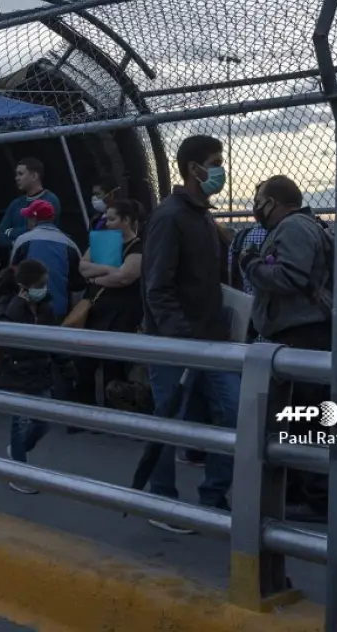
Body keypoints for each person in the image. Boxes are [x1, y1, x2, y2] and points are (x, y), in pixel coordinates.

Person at [141, 134, 237, 531]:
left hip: (209, 338)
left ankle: (212, 499)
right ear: (194, 168)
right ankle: (163, 501)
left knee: (234, 413)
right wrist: (179, 335)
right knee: (169, 418)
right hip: (179, 341)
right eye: (215, 162)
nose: (220, 170)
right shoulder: (170, 217)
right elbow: (157, 285)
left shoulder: (199, 216)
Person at [240, 175, 334, 522]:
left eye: (260, 200)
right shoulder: (306, 225)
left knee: (305, 416)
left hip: (302, 334)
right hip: (303, 333)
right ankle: (301, 491)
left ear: (275, 202)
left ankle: (315, 498)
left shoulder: (293, 227)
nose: (256, 208)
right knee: (301, 416)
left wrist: (251, 263)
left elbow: (289, 277)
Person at [0, 258, 62, 494]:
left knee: (43, 423)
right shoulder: (8, 305)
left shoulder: (46, 307)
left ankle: (18, 449)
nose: (44, 289)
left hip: (40, 371)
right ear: (23, 287)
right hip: (17, 373)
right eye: (39, 284)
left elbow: (55, 341)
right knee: (19, 422)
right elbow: (3, 333)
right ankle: (19, 471)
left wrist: (66, 367)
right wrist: (17, 304)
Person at [74, 199, 145, 416]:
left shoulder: (138, 246)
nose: (107, 222)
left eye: (112, 218)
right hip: (96, 311)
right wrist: (108, 270)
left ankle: (114, 413)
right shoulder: (102, 241)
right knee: (85, 362)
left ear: (126, 221)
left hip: (121, 314)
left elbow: (125, 277)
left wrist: (96, 278)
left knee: (114, 366)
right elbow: (82, 268)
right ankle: (85, 413)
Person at [11, 199, 84, 321]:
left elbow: (12, 276)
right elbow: (78, 288)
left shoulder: (22, 241)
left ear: (34, 219)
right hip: (61, 315)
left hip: (27, 312)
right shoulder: (71, 244)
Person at [0, 158, 62, 249]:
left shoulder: (50, 200)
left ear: (34, 176)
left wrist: (11, 232)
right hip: (17, 260)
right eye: (16, 174)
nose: (16, 178)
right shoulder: (16, 203)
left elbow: (40, 232)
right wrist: (19, 243)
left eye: (20, 174)